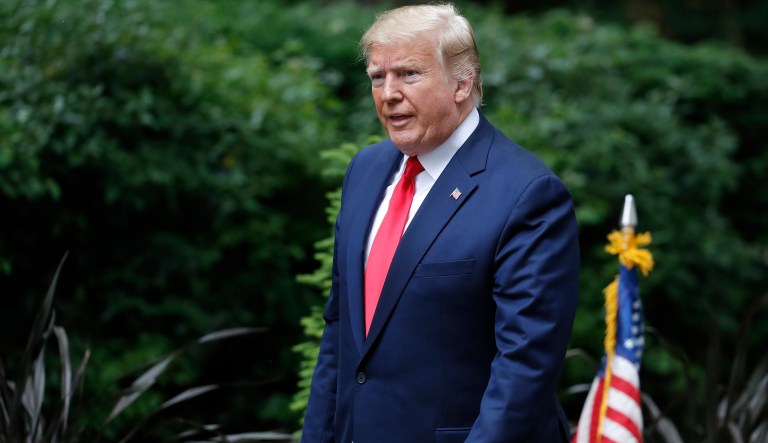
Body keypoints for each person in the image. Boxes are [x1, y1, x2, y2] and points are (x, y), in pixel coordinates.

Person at [301, 3, 580, 442]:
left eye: (409, 74)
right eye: (378, 76)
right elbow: (339, 333)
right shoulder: (366, 170)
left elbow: (524, 372)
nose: (388, 93)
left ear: (462, 82)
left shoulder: (528, 195)